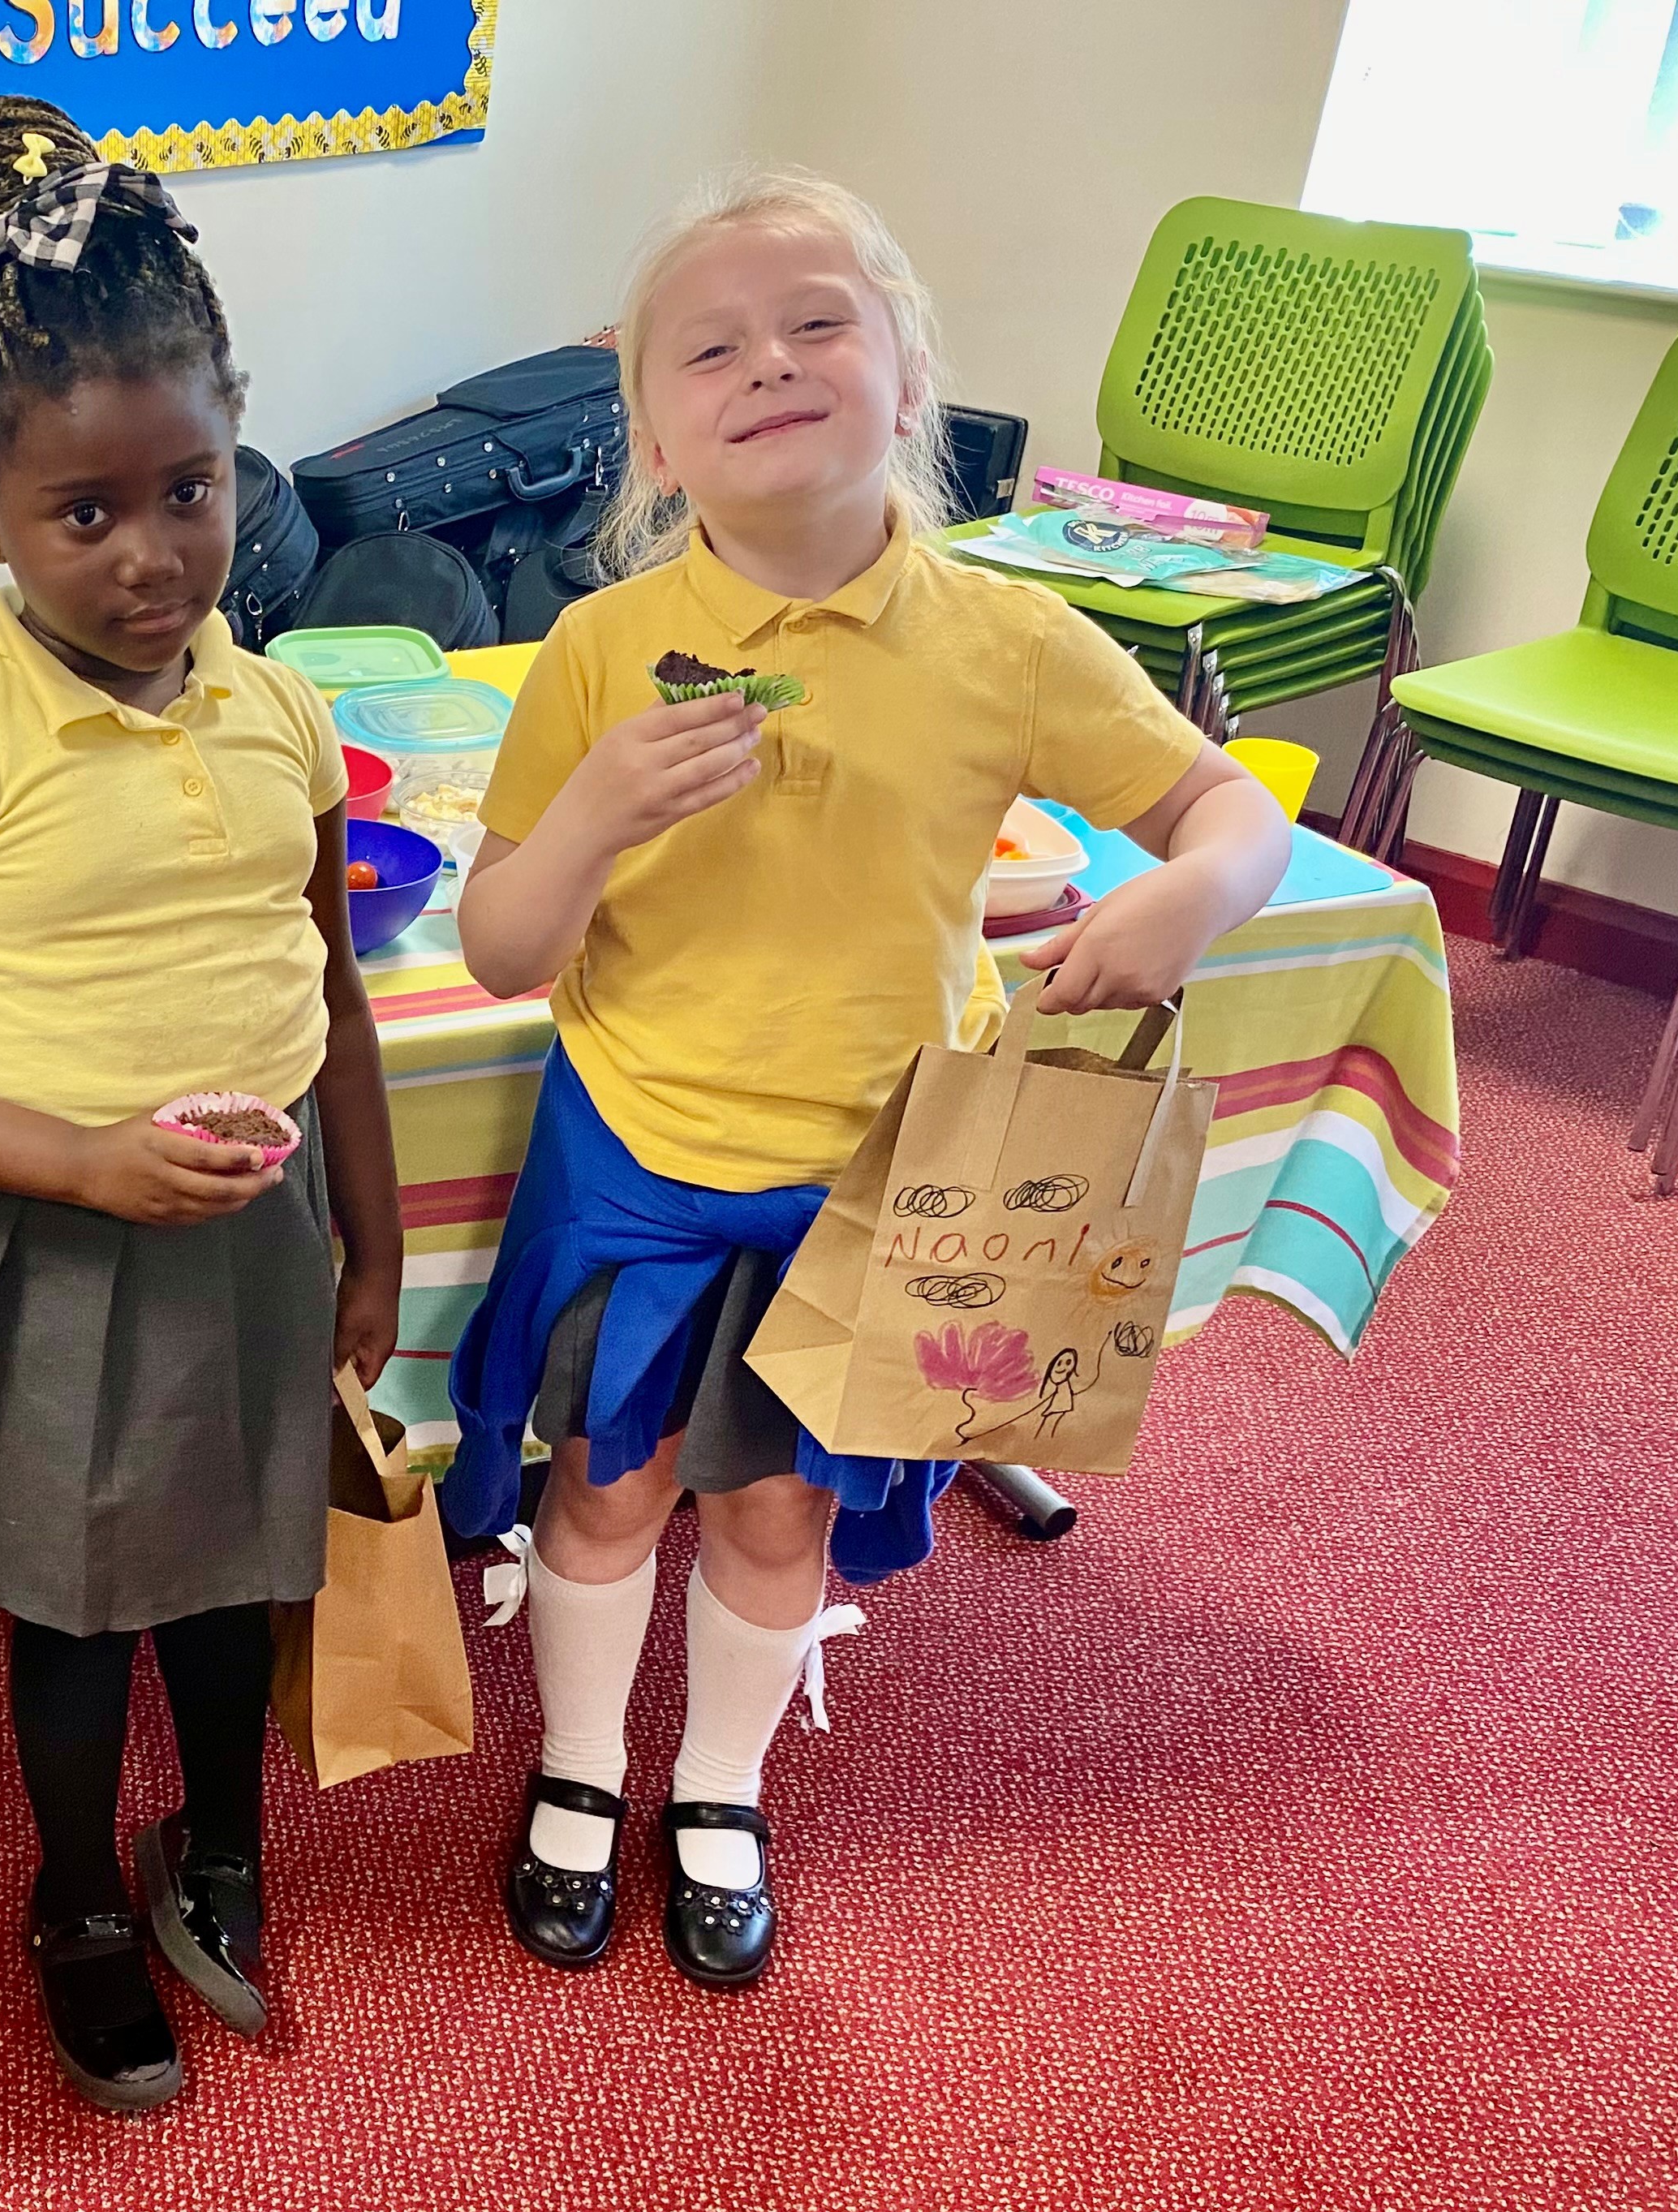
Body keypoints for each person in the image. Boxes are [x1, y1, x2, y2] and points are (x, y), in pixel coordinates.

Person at [447, 171, 1293, 1990]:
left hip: (873, 1169)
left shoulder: (1007, 643)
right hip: (639, 1153)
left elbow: (1228, 808)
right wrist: (591, 815)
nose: (768, 363)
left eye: (818, 323)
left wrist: (1194, 893)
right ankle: (579, 1764)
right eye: (710, 349)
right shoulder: (598, 648)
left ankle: (721, 1786)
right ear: (652, 439)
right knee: (608, 1484)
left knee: (780, 1509)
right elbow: (502, 946)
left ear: (910, 378)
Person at [0, 97, 403, 2115]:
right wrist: (84, 1163)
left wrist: (374, 1241)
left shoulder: (284, 706)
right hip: (50, 1242)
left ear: (239, 451)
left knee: (237, 1569)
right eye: (83, 514)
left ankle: (217, 1837)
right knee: (72, 1613)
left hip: (259, 1234)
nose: (151, 555)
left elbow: (335, 995)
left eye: (190, 490)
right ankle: (71, 1891)